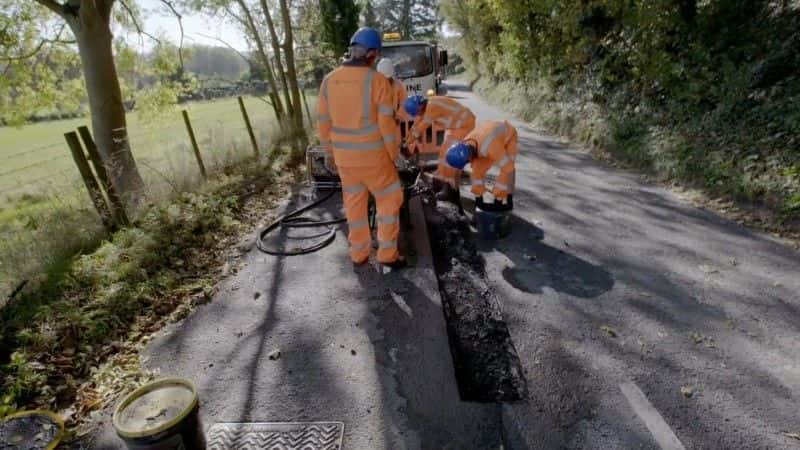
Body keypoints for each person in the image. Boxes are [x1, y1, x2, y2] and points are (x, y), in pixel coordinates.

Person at [317, 28, 406, 269]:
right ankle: (387, 255)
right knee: (389, 200)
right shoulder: (377, 81)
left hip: (346, 160)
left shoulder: (329, 80)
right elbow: (387, 126)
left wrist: (329, 153)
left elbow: (324, 122)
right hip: (374, 159)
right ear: (373, 53)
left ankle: (359, 254)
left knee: (355, 205)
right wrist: (395, 155)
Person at [403, 94, 476, 198]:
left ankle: (450, 189)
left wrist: (406, 144)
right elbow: (416, 125)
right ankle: (441, 181)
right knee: (443, 152)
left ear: (419, 107)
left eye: (417, 112)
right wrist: (406, 139)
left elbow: (421, 128)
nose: (417, 114)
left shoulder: (432, 107)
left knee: (450, 156)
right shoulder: (426, 106)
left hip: (463, 125)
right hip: (455, 126)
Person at [444, 120, 518, 210]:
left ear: (469, 156)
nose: (468, 163)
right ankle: (478, 198)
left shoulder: (492, 148)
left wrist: (508, 197)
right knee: (476, 170)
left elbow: (509, 169)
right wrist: (477, 198)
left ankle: (499, 199)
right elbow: (462, 170)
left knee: (506, 169)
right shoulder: (466, 144)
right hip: (487, 135)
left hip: (508, 136)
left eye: (467, 162)